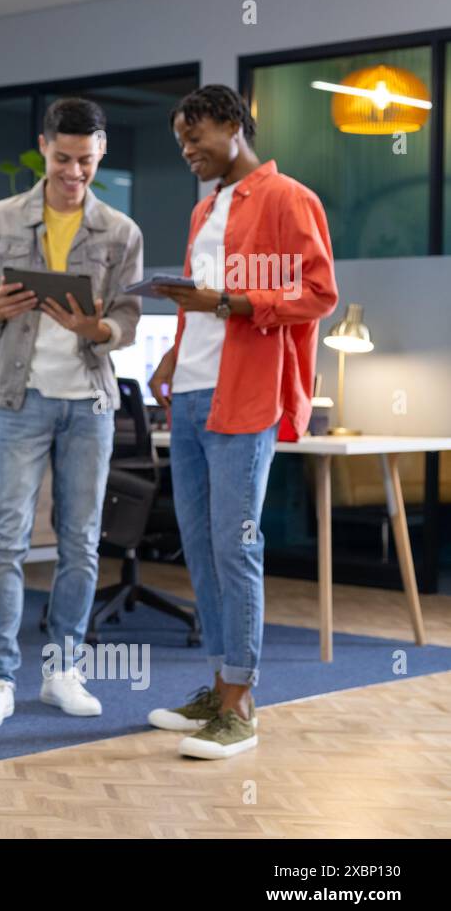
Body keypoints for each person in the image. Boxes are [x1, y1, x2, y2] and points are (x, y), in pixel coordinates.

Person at [146, 85, 337, 758]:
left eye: (195, 137)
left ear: (233, 124)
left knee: (236, 546)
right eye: (179, 142)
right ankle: (219, 682)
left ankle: (242, 703)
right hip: (193, 393)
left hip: (245, 394)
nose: (188, 151)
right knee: (198, 546)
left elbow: (318, 293)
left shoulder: (289, 199)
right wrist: (173, 351)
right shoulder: (204, 210)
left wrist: (231, 301)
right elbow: (202, 302)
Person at [0, 98, 143, 726]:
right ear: (44, 146)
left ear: (101, 152)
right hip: (21, 399)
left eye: (86, 161)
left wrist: (101, 328)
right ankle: (0, 679)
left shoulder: (120, 232)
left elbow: (129, 320)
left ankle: (64, 671)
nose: (74, 172)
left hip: (90, 402)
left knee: (81, 543)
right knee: (6, 542)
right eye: (63, 159)